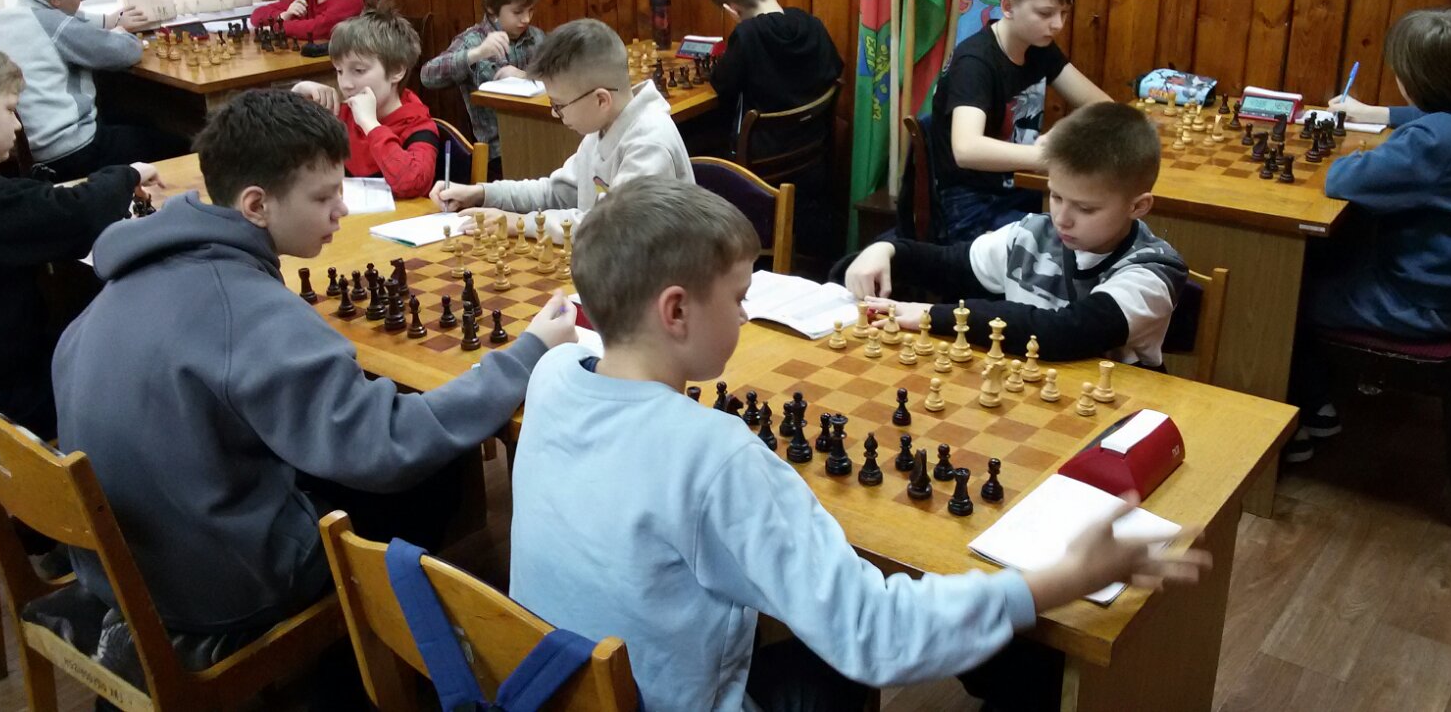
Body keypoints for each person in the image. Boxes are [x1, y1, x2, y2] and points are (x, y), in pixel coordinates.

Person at [509, 178, 1210, 711]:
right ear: (676, 310)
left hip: (548, 684)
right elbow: (877, 635)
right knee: (837, 665)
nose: (747, 314)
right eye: (739, 296)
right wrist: (1063, 579)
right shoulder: (714, 457)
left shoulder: (552, 371)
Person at [50, 89, 578, 691]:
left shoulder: (120, 285)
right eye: (324, 197)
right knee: (431, 477)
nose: (341, 210)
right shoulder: (247, 310)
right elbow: (388, 444)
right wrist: (526, 354)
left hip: (128, 559)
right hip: (215, 584)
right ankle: (365, 667)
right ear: (256, 205)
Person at [1284, 6, 1451, 462]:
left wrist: (1356, 154)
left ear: (1416, 81)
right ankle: (1317, 401)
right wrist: (1378, 112)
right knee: (1322, 261)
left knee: (1279, 298)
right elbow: (1434, 118)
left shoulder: (1433, 142)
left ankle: (1303, 417)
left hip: (1416, 304)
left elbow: (1342, 180)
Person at [0, 37, 155, 445]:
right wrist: (127, 173)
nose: (17, 125)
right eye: (10, 109)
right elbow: (78, 216)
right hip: (10, 399)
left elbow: (18, 205)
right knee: (143, 361)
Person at [843, 102, 1187, 366]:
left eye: (1085, 209)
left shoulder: (1152, 274)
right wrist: (887, 251)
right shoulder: (1031, 234)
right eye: (1056, 196)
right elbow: (950, 263)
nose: (1062, 219)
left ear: (1138, 206)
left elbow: (1064, 332)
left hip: (1116, 414)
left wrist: (933, 315)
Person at [428, 18, 693, 244]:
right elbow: (554, 193)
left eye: (559, 105)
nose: (555, 113)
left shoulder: (650, 143)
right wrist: (481, 193)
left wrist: (517, 222)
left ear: (601, 100)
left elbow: (611, 229)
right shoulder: (602, 127)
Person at [930, 0, 1110, 242]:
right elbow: (966, 148)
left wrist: (1064, 134)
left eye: (1064, 13)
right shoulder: (975, 62)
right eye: (1045, 13)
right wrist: (1044, 156)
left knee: (1102, 228)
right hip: (971, 205)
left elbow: (1102, 106)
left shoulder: (1039, 47)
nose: (1057, 24)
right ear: (1008, 7)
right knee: (1080, 243)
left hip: (1022, 190)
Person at [0, 0, 187, 180]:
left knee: (134, 118)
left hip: (27, 153)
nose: (82, 1)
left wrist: (107, 20)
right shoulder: (54, 24)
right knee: (180, 144)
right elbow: (126, 52)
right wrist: (120, 32)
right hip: (71, 151)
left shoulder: (0, 21)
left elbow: (66, 22)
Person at [703, 0, 844, 158]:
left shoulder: (746, 35)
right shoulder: (811, 23)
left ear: (732, 10)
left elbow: (721, 84)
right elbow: (835, 69)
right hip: (814, 152)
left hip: (762, 163)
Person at [291, 2, 437, 198]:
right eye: (339, 71)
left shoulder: (419, 126)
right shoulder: (341, 114)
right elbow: (278, 149)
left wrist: (370, 124)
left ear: (397, 71)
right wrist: (297, 95)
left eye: (359, 70)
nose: (345, 84)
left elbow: (412, 184)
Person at [420, 0, 546, 170]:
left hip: (541, 141)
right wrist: (476, 54)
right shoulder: (473, 41)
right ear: (491, 8)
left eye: (531, 10)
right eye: (518, 12)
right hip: (497, 153)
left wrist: (525, 77)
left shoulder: (537, 37)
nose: (526, 19)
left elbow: (563, 78)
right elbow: (427, 76)